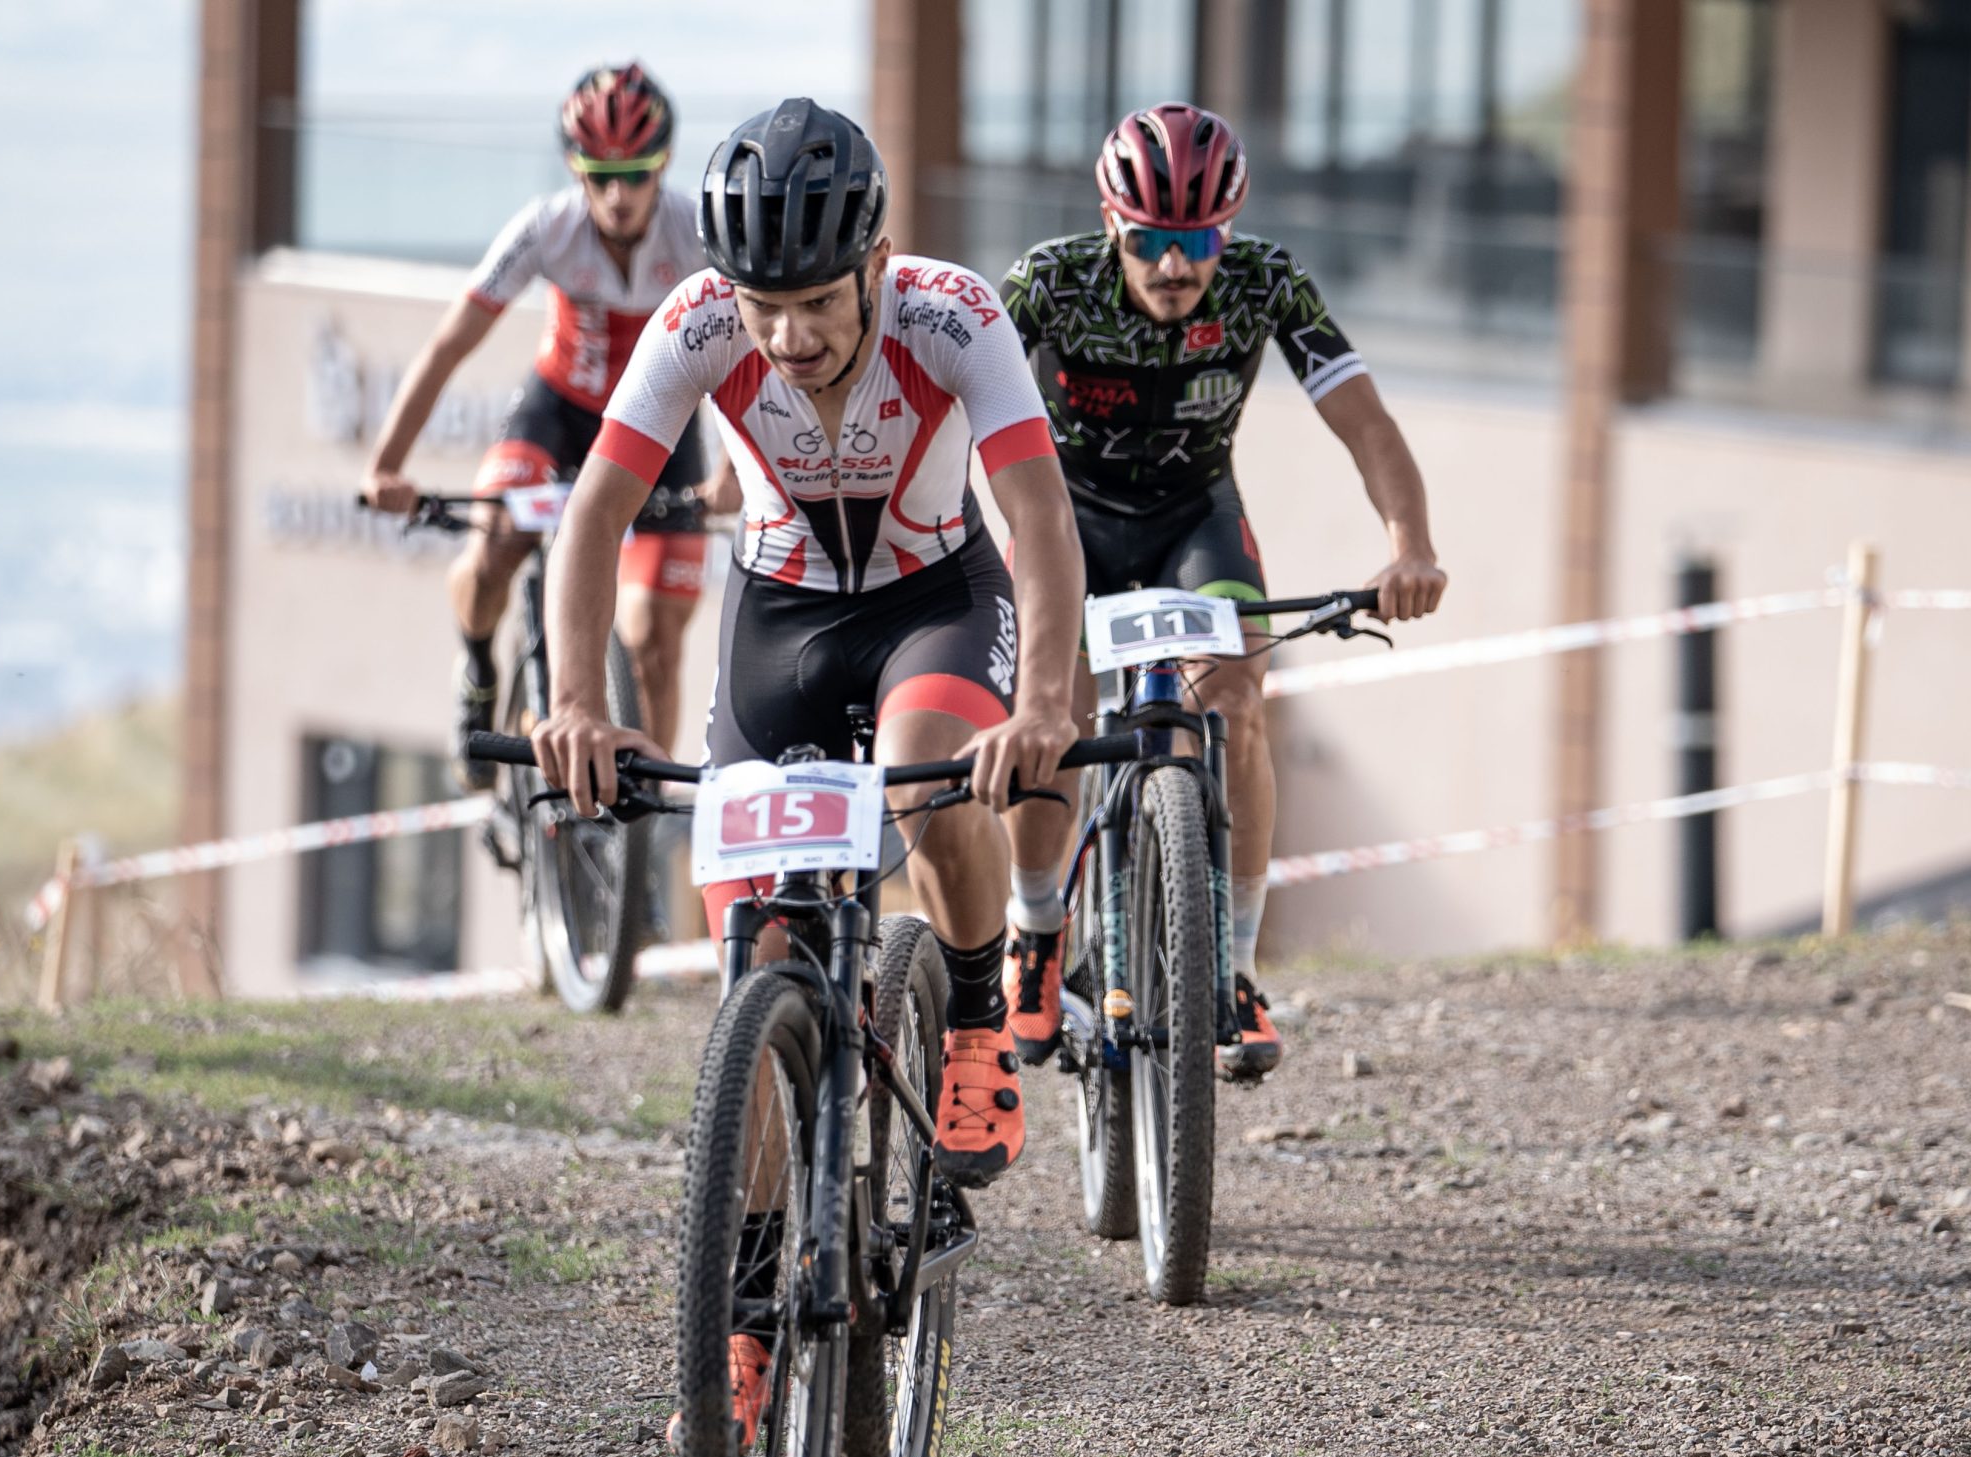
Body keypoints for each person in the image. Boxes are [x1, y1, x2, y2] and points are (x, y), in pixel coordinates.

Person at [532, 98, 1086, 1187]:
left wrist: (1045, 704)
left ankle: (976, 1015)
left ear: (876, 264)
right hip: (777, 622)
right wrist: (573, 702)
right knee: (753, 963)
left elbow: (1041, 518)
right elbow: (594, 514)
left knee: (927, 765)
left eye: (821, 304)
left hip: (932, 602)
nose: (789, 339)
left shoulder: (953, 315)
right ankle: (744, 1306)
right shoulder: (695, 323)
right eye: (764, 308)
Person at [997, 102, 1447, 1082]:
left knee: (1237, 707)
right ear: (1112, 224)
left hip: (1195, 517)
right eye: (1151, 241)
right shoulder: (1048, 281)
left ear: (1227, 231)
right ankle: (1034, 934)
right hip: (1068, 522)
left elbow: (1366, 425)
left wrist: (1407, 546)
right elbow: (954, 394)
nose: (1174, 266)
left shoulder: (1263, 284)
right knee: (1054, 721)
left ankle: (1234, 970)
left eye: (1197, 240)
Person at [361, 63, 724, 782]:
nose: (618, 196)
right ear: (573, 168)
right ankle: (478, 666)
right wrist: (386, 463)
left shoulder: (697, 232)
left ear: (666, 165)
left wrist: (733, 475)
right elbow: (450, 344)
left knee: (656, 640)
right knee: (495, 543)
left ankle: (638, 825)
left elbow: (753, 350)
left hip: (658, 428)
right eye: (599, 176)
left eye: (638, 175)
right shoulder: (546, 229)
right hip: (557, 412)